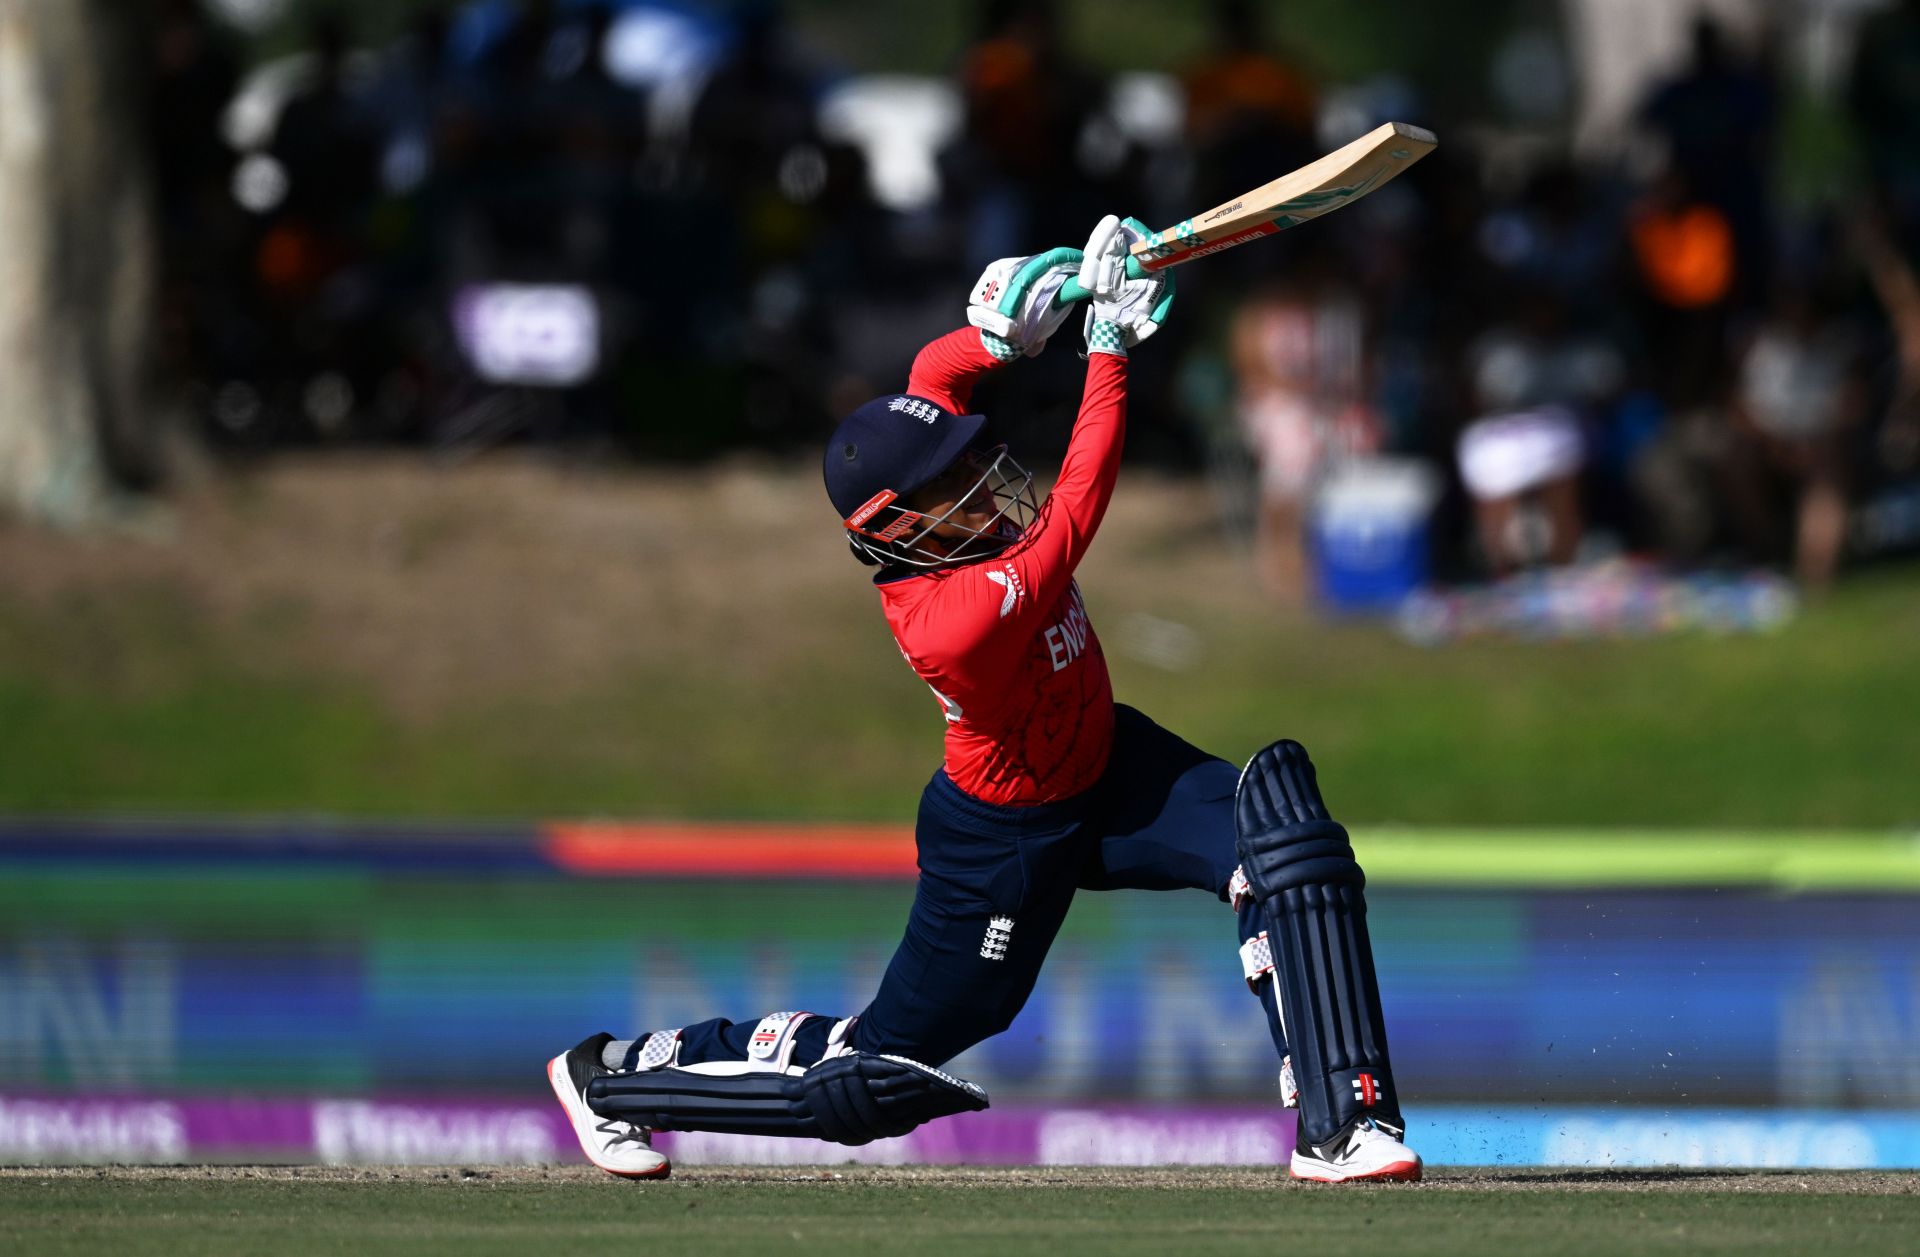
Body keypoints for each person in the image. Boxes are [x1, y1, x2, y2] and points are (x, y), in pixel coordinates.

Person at [545, 218, 1420, 1183]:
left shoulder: (942, 526)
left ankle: (1345, 1127)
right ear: (895, 523)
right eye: (949, 481)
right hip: (1003, 840)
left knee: (1284, 839)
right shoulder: (951, 617)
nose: (978, 480)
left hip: (1110, 765)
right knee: (872, 1075)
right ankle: (611, 1081)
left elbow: (936, 376)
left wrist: (1005, 335)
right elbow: (1079, 505)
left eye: (966, 459)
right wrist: (1108, 350)